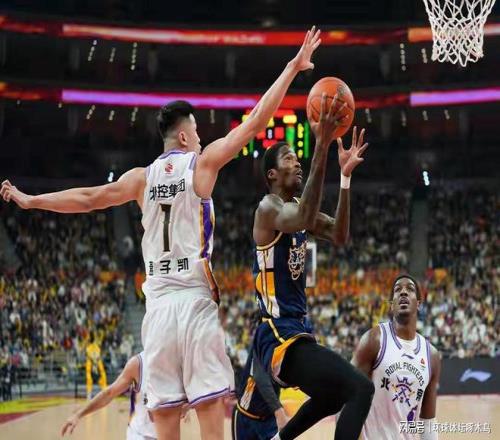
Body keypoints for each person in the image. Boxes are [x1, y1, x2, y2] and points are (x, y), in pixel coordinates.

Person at [1, 27, 322, 440]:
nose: (201, 139)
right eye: (198, 132)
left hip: (157, 313)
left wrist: (31, 201)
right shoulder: (200, 165)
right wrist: (292, 67)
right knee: (211, 425)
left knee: (165, 427)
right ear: (185, 136)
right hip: (193, 303)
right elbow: (257, 120)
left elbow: (88, 198)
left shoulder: (140, 178)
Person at [252, 94, 373, 440]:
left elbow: (339, 235)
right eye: (289, 158)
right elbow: (303, 215)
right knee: (361, 388)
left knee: (334, 396)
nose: (298, 163)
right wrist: (322, 143)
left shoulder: (296, 210)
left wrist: (345, 178)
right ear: (272, 174)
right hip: (277, 334)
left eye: (297, 157)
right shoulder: (268, 209)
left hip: (296, 330)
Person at [351, 275, 442, 440]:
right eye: (398, 290)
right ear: (391, 304)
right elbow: (347, 399)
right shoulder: (373, 340)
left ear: (418, 304)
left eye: (410, 289)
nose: (403, 292)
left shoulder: (432, 355)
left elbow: (428, 422)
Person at [62, 352, 157, 440]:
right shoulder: (138, 364)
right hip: (140, 435)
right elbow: (109, 393)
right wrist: (78, 415)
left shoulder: (166, 362)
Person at [232, 342, 289, 440]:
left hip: (270, 418)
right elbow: (260, 377)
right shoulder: (264, 338)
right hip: (246, 417)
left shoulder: (287, 342)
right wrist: (278, 410)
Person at [85, 335, 108, 400]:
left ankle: (105, 393)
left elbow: (97, 355)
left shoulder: (97, 348)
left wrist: (96, 361)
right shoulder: (89, 348)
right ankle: (89, 395)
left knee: (103, 377)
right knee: (89, 378)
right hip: (91, 363)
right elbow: (90, 355)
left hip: (97, 363)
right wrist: (94, 361)